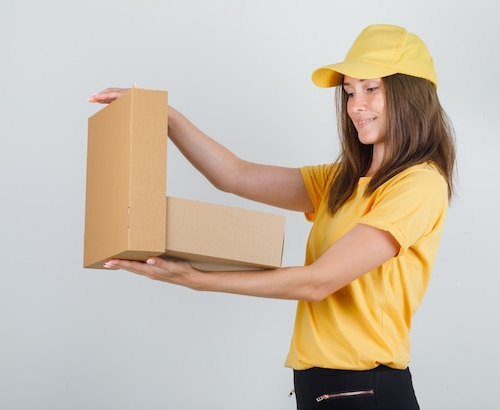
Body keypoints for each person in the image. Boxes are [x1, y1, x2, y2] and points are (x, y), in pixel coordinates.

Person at [89, 24, 455, 410]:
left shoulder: (419, 185)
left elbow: (319, 281)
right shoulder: (341, 181)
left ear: (409, 93)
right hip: (322, 387)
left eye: (371, 88)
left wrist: (199, 280)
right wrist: (166, 117)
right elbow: (234, 175)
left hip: (366, 390)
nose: (355, 106)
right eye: (348, 92)